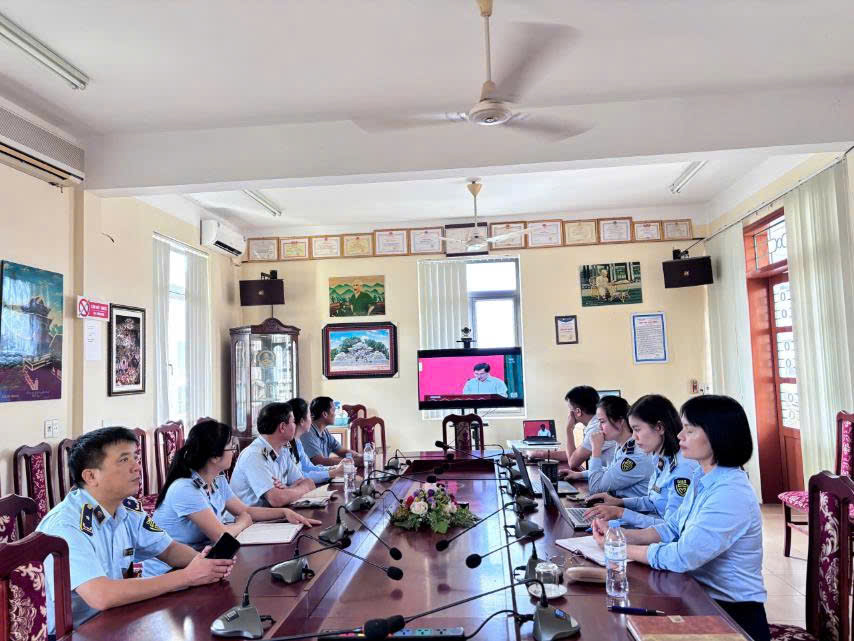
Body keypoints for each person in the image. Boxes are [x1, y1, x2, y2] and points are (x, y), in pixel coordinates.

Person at [590, 395, 769, 641]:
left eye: (690, 430)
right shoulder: (702, 477)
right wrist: (618, 535)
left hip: (731, 613)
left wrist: (619, 548)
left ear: (717, 435)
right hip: (697, 596)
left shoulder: (730, 492)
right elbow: (672, 527)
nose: (680, 436)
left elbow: (682, 556)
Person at [36, 427, 235, 634]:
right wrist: (187, 577)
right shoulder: (67, 526)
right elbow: (101, 595)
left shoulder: (127, 509)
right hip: (72, 633)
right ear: (91, 476)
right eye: (124, 460)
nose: (137, 467)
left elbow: (169, 550)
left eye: (135, 458)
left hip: (113, 619)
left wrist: (209, 564)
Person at [143, 420, 322, 577]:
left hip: (203, 561)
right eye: (231, 448)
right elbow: (221, 535)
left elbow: (245, 510)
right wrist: (243, 523)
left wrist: (284, 513)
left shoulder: (217, 480)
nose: (234, 453)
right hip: (171, 572)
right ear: (215, 456)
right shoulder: (185, 488)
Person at [584, 394, 700, 527]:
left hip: (659, 532)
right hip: (650, 523)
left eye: (637, 429)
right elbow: (654, 502)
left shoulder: (682, 468)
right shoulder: (661, 458)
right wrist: (620, 503)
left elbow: (671, 528)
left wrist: (621, 513)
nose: (634, 437)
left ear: (659, 428)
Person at [564, 395, 653, 498]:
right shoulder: (623, 444)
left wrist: (596, 449)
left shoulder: (635, 455)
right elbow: (611, 470)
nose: (599, 427)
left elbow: (595, 488)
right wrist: (579, 474)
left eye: (602, 421)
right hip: (618, 503)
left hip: (631, 507)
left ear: (619, 422)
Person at [230, 402, 316, 506]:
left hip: (273, 513)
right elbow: (277, 500)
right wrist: (300, 489)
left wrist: (286, 490)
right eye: (293, 422)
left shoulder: (283, 450)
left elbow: (306, 482)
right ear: (282, 427)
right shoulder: (254, 455)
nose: (295, 425)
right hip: (250, 516)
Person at [530, 386, 615, 472]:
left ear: (578, 412)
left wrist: (569, 429)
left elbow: (572, 462)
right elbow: (575, 454)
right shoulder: (595, 424)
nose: (569, 413)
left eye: (570, 409)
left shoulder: (596, 429)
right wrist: (541, 454)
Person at [288, 397, 346, 484]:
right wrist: (333, 473)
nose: (312, 420)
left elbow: (308, 467)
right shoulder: (286, 446)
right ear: (302, 421)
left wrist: (333, 468)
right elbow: (299, 477)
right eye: (309, 416)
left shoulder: (297, 442)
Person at [301, 396, 364, 466]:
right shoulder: (308, 433)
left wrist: (360, 456)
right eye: (333, 410)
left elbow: (342, 451)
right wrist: (353, 462)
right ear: (325, 414)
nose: (335, 414)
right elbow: (320, 462)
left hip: (325, 472)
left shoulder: (324, 431)